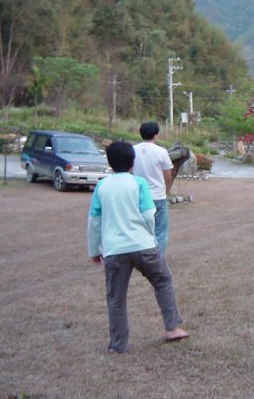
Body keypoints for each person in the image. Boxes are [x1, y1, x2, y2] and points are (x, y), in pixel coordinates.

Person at [87, 141, 188, 353]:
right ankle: (171, 328)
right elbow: (149, 215)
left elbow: (94, 221)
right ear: (133, 162)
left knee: (116, 297)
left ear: (110, 162)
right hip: (143, 245)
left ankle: (118, 344)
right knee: (162, 280)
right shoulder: (139, 183)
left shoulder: (102, 186)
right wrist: (150, 238)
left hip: (115, 250)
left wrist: (95, 250)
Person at [132, 122, 173, 257]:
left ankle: (140, 256)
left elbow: (130, 171)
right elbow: (168, 174)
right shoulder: (161, 151)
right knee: (160, 230)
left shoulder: (133, 150)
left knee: (140, 227)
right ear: (156, 135)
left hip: (139, 195)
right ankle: (157, 258)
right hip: (158, 196)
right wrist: (167, 189)